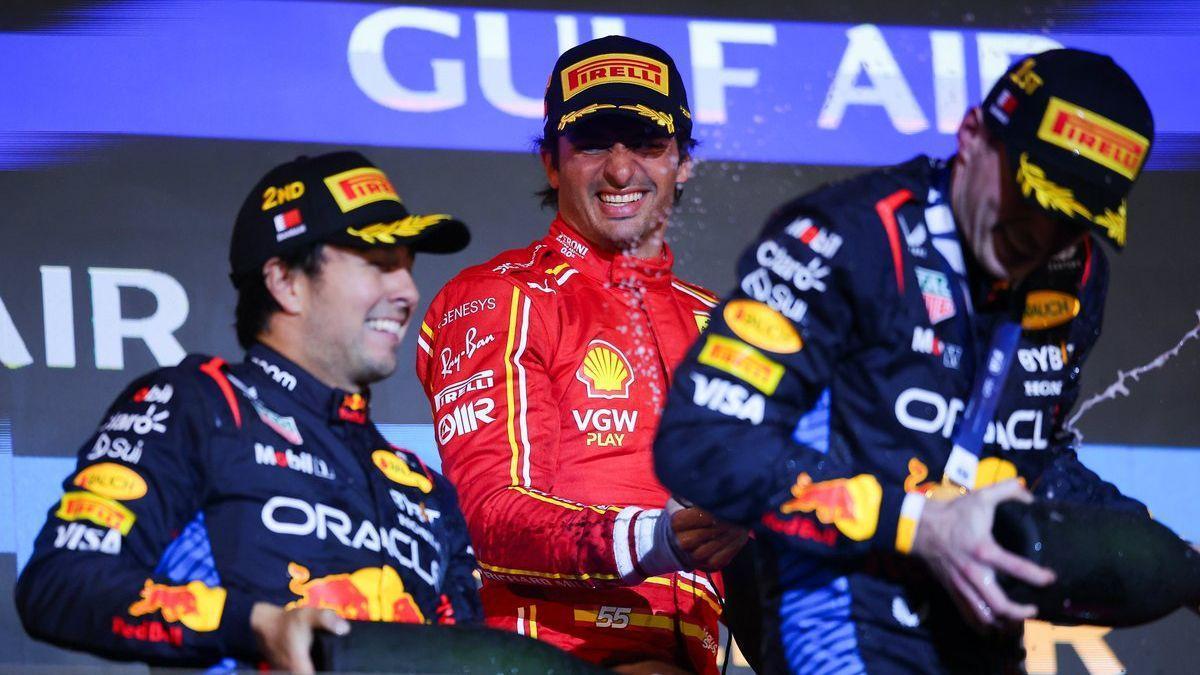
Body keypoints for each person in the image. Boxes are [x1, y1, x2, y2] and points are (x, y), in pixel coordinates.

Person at [654, 49, 1156, 673]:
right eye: (1032, 194)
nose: (1042, 234)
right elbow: (704, 442)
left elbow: (1028, 456)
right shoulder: (849, 236)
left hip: (974, 631)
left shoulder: (1073, 273)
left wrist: (1166, 554)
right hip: (836, 614)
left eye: (1074, 220)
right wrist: (921, 524)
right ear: (972, 135)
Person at [16, 151, 480, 673]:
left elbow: (461, 657)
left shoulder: (423, 489)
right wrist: (255, 625)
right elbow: (61, 583)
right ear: (285, 281)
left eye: (408, 266)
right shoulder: (200, 406)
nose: (408, 291)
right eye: (377, 264)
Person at [415, 36, 747, 673]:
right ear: (550, 163)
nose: (620, 170)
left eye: (647, 143)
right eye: (593, 143)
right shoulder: (502, 298)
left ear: (684, 161)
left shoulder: (725, 328)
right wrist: (660, 538)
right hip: (543, 657)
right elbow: (492, 519)